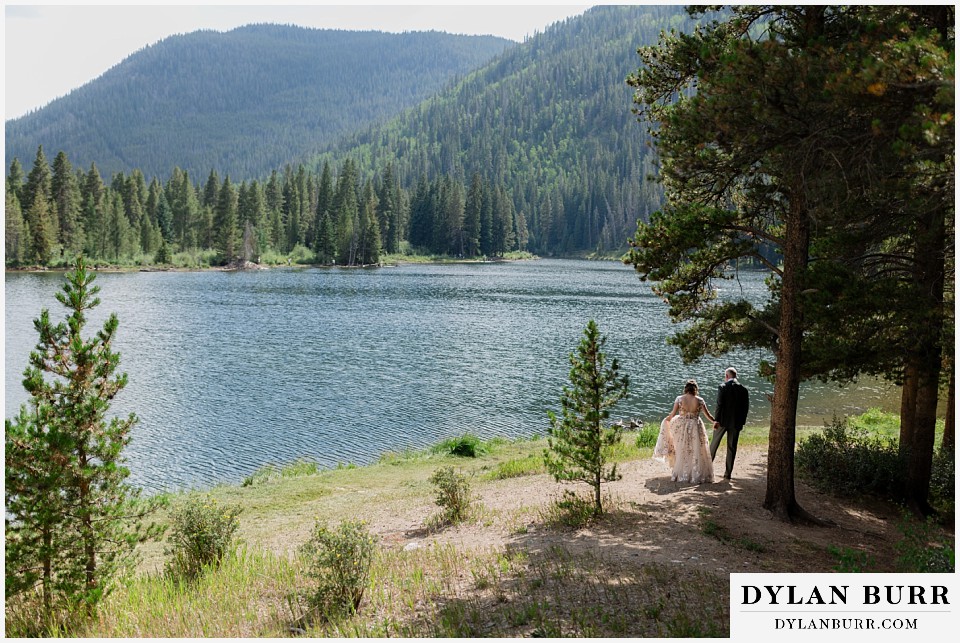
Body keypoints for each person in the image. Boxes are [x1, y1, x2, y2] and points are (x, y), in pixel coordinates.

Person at [653, 379, 715, 484]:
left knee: (683, 449)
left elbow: (672, 414)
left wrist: (666, 420)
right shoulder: (700, 400)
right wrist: (715, 421)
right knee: (696, 449)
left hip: (682, 427)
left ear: (686, 388)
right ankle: (695, 474)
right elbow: (708, 415)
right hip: (696, 426)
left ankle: (682, 473)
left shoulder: (679, 399)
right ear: (695, 389)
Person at [711, 367, 750, 480]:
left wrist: (716, 420)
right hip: (736, 422)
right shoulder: (743, 389)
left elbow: (719, 405)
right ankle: (728, 474)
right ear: (735, 376)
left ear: (727, 376)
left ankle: (707, 469)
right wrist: (742, 422)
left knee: (714, 445)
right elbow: (745, 408)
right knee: (732, 448)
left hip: (722, 421)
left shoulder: (722, 387)